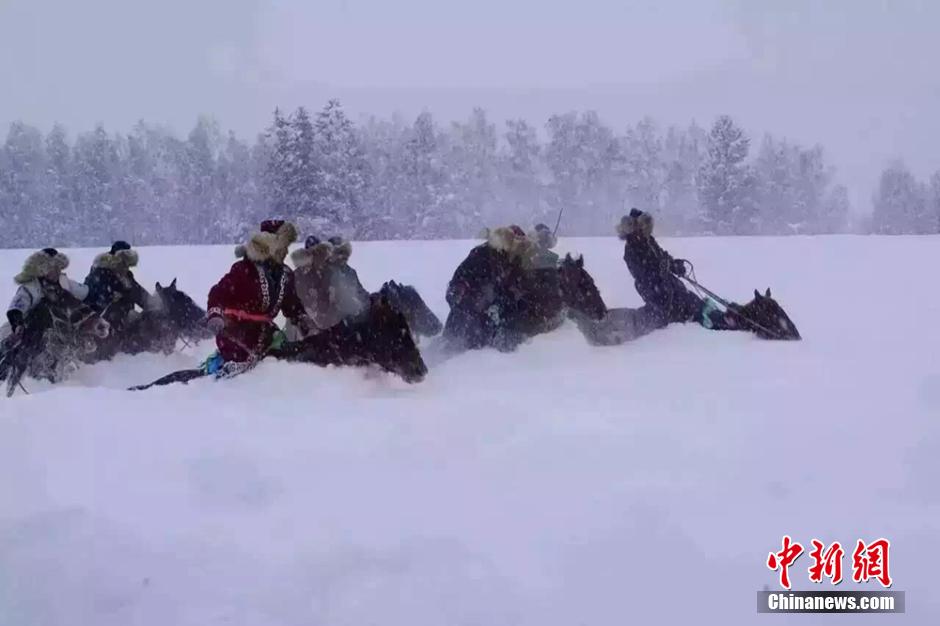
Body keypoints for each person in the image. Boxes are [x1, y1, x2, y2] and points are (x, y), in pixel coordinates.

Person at [206, 219, 312, 374]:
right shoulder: (243, 269)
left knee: (294, 356)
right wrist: (215, 314)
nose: (287, 252)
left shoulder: (286, 274)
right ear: (272, 245)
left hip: (266, 335)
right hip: (236, 334)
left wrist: (302, 318)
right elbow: (218, 293)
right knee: (247, 367)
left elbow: (292, 305)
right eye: (284, 247)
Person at [617, 208, 730, 330]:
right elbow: (642, 275)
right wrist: (661, 271)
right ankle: (627, 324)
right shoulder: (631, 250)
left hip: (668, 282)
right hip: (652, 288)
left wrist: (674, 265)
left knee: (691, 301)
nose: (646, 229)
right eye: (643, 225)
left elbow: (662, 257)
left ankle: (721, 318)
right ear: (634, 227)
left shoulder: (649, 241)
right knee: (668, 312)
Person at [442, 225, 534, 350]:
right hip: (467, 316)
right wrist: (472, 301)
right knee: (458, 351)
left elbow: (515, 288)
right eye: (518, 247)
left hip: (492, 318)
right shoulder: (481, 254)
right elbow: (458, 283)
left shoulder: (512, 260)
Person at [289, 235, 370, 337]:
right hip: (319, 325)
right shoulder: (320, 273)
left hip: (335, 324)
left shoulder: (344, 272)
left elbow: (359, 293)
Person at [5, 248, 90, 336]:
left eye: (58, 267)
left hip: (64, 328)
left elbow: (85, 294)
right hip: (33, 329)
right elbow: (16, 308)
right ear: (41, 270)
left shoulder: (65, 282)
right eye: (50, 268)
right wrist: (17, 324)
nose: (56, 271)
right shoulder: (31, 286)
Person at [84, 241, 151, 333]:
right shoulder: (101, 273)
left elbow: (138, 293)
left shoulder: (126, 276)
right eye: (124, 263)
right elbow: (97, 298)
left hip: (124, 319)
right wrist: (113, 296)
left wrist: (153, 304)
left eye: (128, 264)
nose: (126, 267)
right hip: (102, 324)